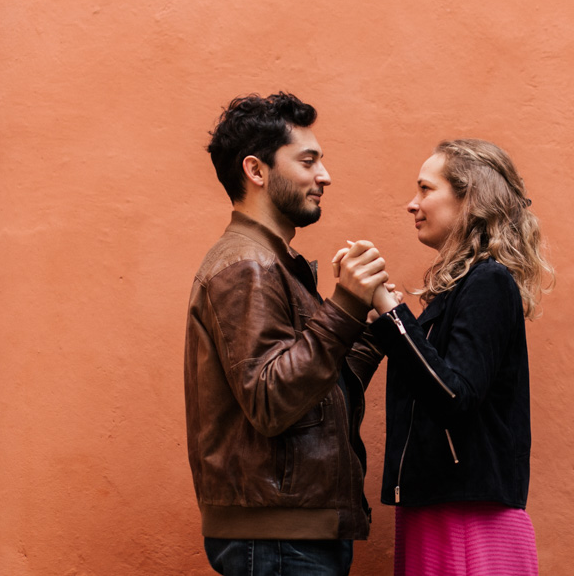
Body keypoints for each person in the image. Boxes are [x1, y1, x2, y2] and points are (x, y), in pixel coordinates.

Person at [184, 92, 390, 576]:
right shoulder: (247, 266)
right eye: (308, 160)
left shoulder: (269, 262)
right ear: (256, 171)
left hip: (288, 535)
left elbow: (315, 393)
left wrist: (370, 333)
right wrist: (343, 306)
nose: (325, 175)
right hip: (277, 540)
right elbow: (271, 400)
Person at [360, 139, 553, 576]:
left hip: (468, 518)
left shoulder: (488, 282)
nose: (413, 204)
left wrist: (394, 316)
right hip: (439, 510)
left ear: (470, 201)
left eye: (426, 189)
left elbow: (455, 395)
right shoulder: (459, 291)